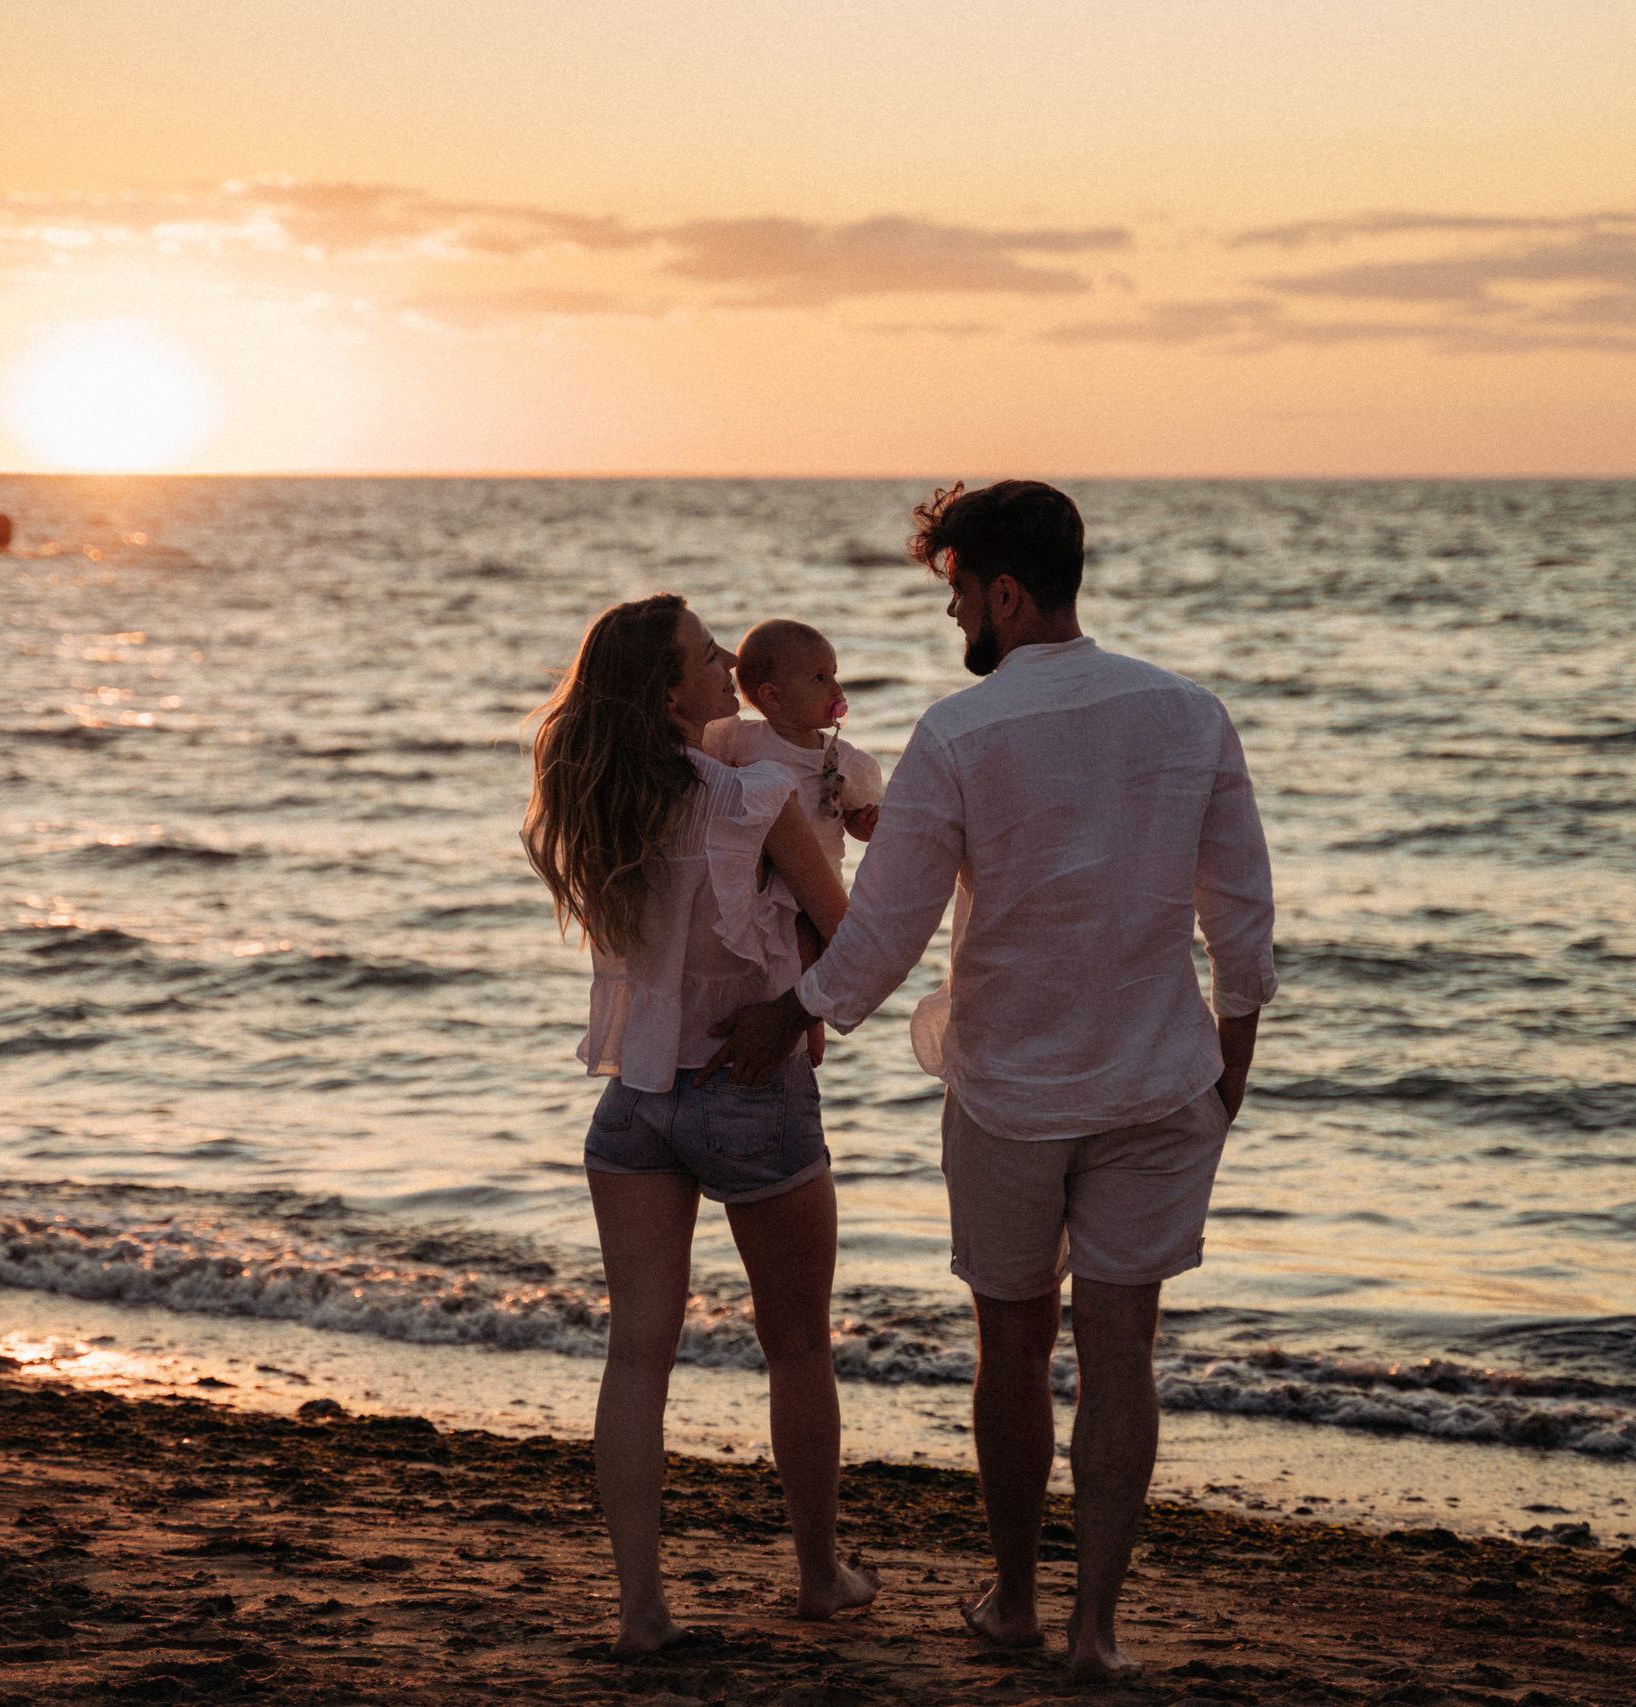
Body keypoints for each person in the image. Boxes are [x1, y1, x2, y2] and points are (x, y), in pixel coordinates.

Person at [702, 482, 1277, 1682]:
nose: (954, 613)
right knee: (1121, 1352)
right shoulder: (1189, 713)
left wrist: (790, 1014)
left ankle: (1015, 1604)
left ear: (1005, 593)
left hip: (1010, 1092)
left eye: (959, 591)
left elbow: (887, 932)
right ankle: (1095, 1632)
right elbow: (1240, 911)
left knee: (1010, 1349)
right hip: (1159, 1082)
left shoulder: (959, 734)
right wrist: (1230, 1059)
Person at [523, 592, 881, 1656]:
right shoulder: (752, 797)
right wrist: (796, 1007)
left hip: (635, 1101)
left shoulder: (596, 799)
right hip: (747, 1086)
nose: (729, 665)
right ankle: (818, 1576)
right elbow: (853, 938)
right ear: (670, 691)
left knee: (636, 1357)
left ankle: (641, 1611)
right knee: (797, 1344)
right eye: (708, 655)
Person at [701, 617, 886, 871]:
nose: (836, 688)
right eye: (819, 678)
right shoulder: (737, 739)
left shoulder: (843, 759)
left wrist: (866, 824)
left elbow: (851, 818)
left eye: (833, 674)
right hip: (754, 877)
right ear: (773, 696)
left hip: (818, 880)